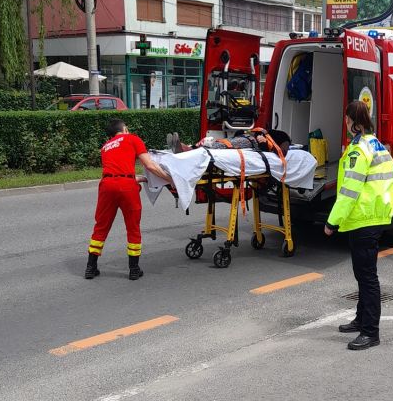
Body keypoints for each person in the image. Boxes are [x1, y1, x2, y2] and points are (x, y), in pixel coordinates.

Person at [324, 100, 393, 351]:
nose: (345, 124)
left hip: (364, 218)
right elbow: (392, 178)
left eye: (346, 119)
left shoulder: (358, 149)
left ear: (352, 121)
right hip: (375, 214)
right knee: (363, 274)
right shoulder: (375, 143)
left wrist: (332, 221)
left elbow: (349, 191)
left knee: (366, 277)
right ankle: (361, 319)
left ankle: (370, 332)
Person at [85, 119, 173, 281]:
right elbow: (151, 166)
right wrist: (170, 179)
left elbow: (117, 171)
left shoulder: (105, 147)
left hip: (107, 185)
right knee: (133, 227)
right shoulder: (132, 138)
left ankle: (91, 267)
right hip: (127, 186)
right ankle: (134, 269)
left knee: (101, 226)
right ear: (124, 129)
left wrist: (138, 178)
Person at [167, 129, 292, 156]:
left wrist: (264, 142)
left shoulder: (284, 138)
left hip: (251, 143)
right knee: (218, 142)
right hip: (246, 138)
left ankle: (184, 149)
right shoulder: (268, 131)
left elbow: (282, 153)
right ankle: (186, 147)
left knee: (220, 146)